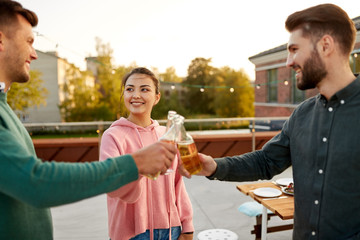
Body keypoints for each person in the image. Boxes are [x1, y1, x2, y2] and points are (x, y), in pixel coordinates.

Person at [181, 4, 360, 240]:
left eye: (295, 49)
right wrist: (214, 166)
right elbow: (266, 161)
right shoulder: (302, 114)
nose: (288, 62)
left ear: (325, 45)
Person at [0, 1, 176, 239]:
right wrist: (135, 164)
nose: (34, 53)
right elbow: (35, 181)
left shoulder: (4, 107)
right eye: (29, 41)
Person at [100, 67, 194, 240]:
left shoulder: (166, 135)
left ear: (157, 98)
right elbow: (111, 185)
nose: (135, 95)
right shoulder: (112, 136)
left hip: (171, 230)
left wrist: (187, 225)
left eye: (144, 89)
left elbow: (178, 183)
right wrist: (142, 168)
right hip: (131, 234)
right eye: (130, 89)